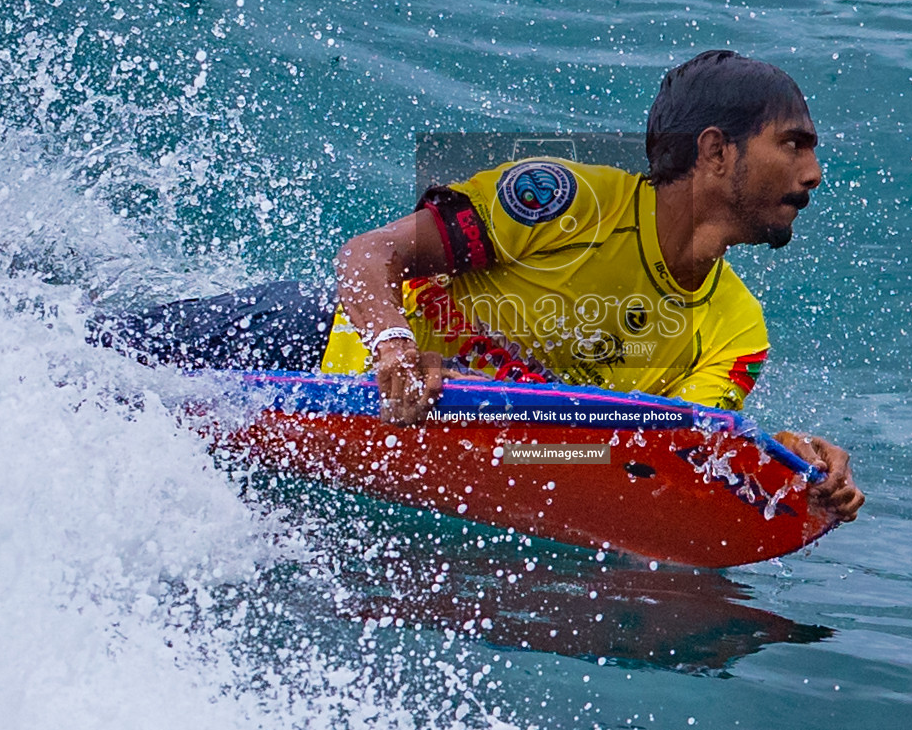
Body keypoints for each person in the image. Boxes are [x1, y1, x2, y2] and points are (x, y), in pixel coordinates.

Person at [91, 50, 864, 522]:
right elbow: (368, 256)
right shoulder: (562, 199)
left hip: (386, 454)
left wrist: (781, 462)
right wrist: (393, 349)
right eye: (792, 144)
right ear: (715, 151)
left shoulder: (738, 332)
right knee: (68, 355)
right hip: (294, 344)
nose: (813, 173)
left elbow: (667, 447)